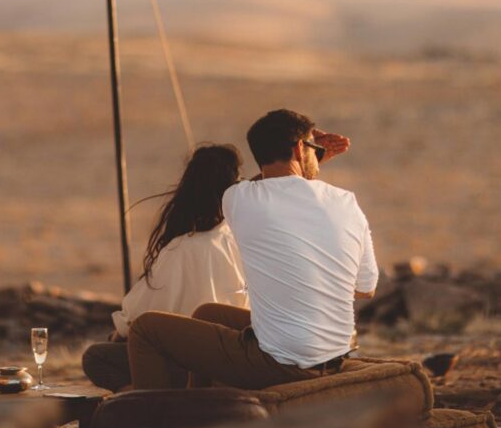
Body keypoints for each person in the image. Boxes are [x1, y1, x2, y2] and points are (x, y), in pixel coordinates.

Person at [127, 108, 377, 390]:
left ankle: (154, 425)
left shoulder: (238, 198)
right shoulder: (347, 201)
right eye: (313, 147)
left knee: (145, 329)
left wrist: (308, 156)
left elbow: (273, 187)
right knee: (209, 314)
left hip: (280, 364)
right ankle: (200, 405)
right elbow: (365, 288)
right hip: (335, 355)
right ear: (298, 148)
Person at [82, 144, 248, 392]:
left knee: (96, 356)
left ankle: (142, 395)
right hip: (237, 358)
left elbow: (136, 319)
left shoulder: (181, 249)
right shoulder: (238, 238)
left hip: (194, 365)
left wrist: (118, 336)